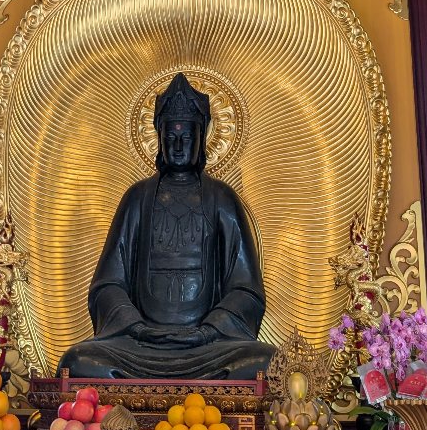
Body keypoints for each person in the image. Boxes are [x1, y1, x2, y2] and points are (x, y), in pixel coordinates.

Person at [58, 73, 274, 379]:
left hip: (207, 345)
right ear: (159, 139)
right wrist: (135, 327)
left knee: (267, 362)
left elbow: (246, 288)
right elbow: (108, 284)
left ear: (202, 139)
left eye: (187, 137)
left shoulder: (222, 199)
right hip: (140, 344)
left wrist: (209, 330)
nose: (178, 145)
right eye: (170, 137)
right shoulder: (137, 198)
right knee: (77, 360)